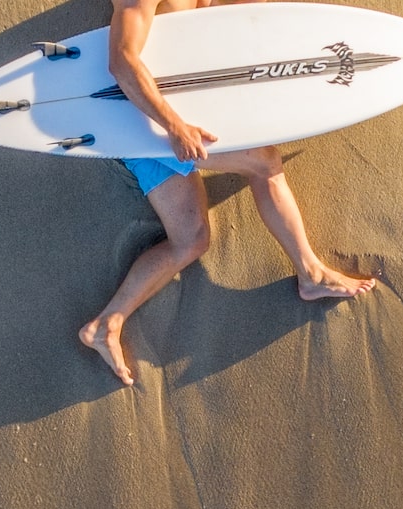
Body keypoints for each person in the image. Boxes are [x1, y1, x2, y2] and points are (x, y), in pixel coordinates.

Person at [77, 0, 376, 386]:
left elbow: (226, 23)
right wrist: (174, 126)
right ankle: (312, 274)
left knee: (191, 240)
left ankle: (104, 325)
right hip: (145, 124)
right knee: (264, 162)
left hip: (165, 124)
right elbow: (121, 60)